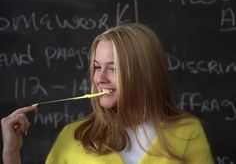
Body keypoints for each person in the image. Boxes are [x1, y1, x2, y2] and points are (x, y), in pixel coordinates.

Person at [1, 23, 213, 164]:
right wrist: (12, 153)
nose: (99, 78)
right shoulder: (73, 138)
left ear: (143, 73)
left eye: (113, 68)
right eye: (96, 67)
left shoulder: (187, 132)